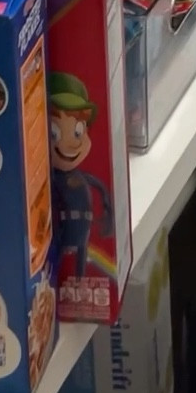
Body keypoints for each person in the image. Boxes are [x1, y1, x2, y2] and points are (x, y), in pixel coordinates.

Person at [48, 72, 113, 278]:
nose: (71, 143)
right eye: (54, 133)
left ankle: (78, 281)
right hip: (60, 231)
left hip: (84, 233)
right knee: (56, 261)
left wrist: (108, 214)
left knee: (80, 266)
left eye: (77, 131)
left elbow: (101, 189)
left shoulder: (82, 177)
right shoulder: (51, 180)